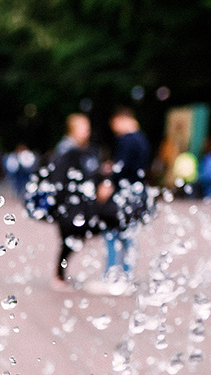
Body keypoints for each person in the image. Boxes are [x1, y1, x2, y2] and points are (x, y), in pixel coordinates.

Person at [33, 112, 102, 285]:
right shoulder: (67, 150)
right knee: (68, 240)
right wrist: (62, 204)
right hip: (68, 206)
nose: (87, 131)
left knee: (73, 240)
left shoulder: (84, 150)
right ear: (72, 129)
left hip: (78, 206)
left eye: (88, 128)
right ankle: (58, 276)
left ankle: (60, 275)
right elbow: (59, 180)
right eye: (83, 128)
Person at [101, 107, 150, 287]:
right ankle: (127, 275)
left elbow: (121, 168)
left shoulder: (126, 140)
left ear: (121, 119)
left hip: (124, 193)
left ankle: (111, 275)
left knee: (112, 233)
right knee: (130, 234)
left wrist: (109, 181)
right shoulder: (142, 139)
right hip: (138, 192)